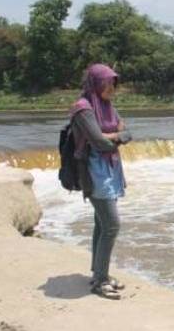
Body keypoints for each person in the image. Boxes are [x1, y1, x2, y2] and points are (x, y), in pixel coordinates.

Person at [69, 63, 132, 300]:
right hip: (93, 172)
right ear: (96, 83)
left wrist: (113, 135)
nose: (112, 88)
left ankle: (98, 275)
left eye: (114, 83)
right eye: (107, 83)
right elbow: (99, 143)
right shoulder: (83, 109)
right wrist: (115, 136)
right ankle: (101, 281)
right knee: (112, 225)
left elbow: (125, 131)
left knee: (101, 224)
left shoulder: (106, 106)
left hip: (111, 170)